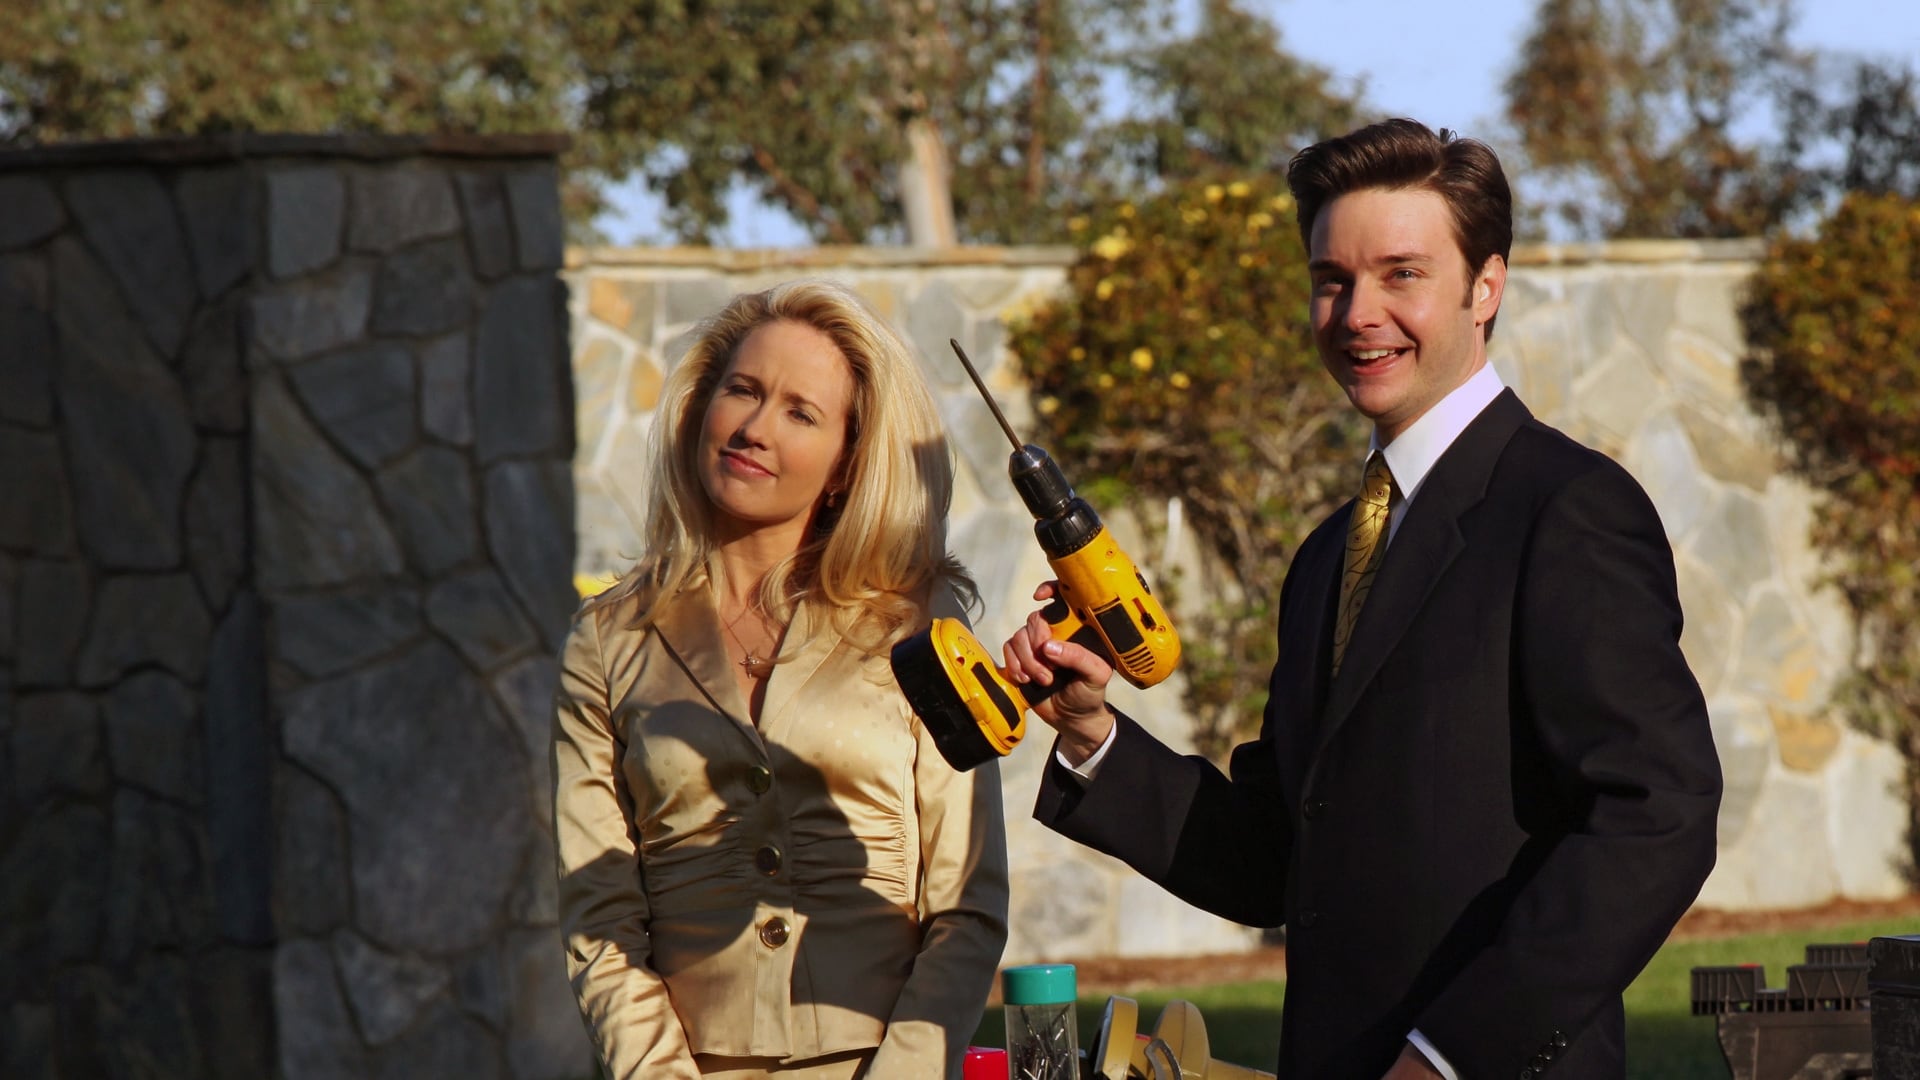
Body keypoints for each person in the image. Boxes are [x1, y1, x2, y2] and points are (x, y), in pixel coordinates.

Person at [1001, 119, 1722, 1080]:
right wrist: (1094, 735)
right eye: (1332, 280)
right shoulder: (1326, 558)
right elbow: (1275, 856)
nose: (1357, 314)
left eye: (1401, 274)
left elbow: (1659, 812)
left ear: (1487, 287)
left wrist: (1451, 1058)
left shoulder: (1567, 509)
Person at [554, 279, 1009, 1079]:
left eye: (800, 413)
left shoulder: (919, 626)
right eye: (743, 390)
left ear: (846, 465)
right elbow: (600, 921)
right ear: (700, 407)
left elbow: (966, 905)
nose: (754, 429)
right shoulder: (607, 639)